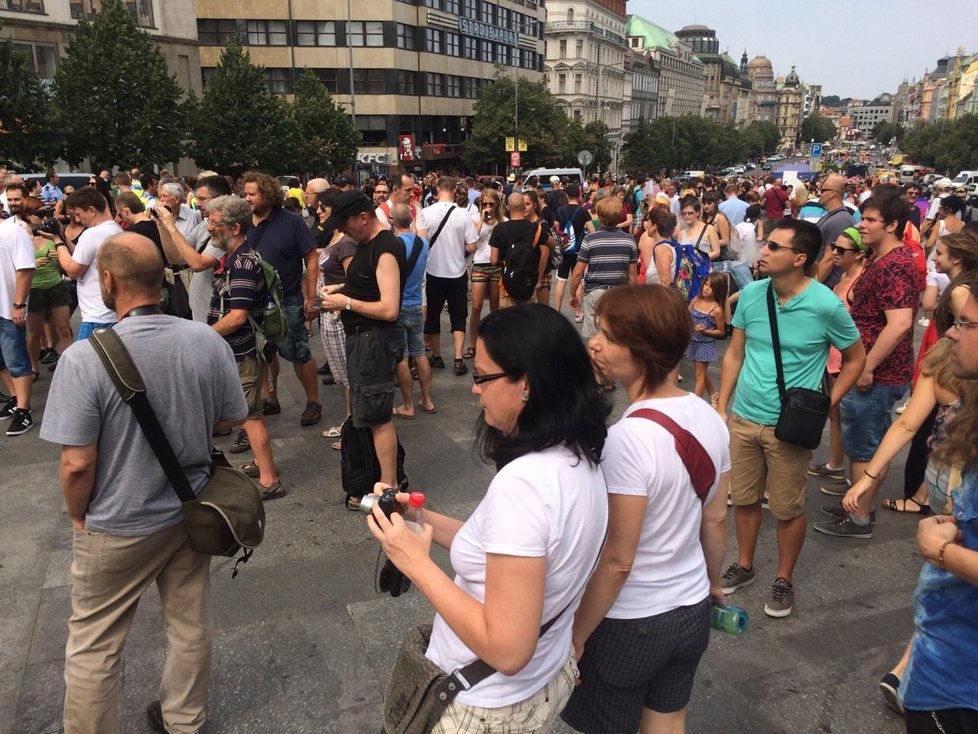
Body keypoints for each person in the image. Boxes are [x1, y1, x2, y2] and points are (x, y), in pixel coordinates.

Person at [39, 231, 248, 734]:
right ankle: (184, 720)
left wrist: (77, 516)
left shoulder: (83, 358)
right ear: (161, 280)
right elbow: (229, 418)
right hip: (191, 510)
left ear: (107, 281)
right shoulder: (206, 340)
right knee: (189, 623)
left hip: (116, 522)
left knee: (96, 641)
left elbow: (76, 464)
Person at [366, 304, 610, 731]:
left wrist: (416, 564)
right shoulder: (580, 456)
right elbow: (504, 550)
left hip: (484, 705)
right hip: (544, 677)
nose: (474, 391)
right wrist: (417, 519)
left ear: (527, 384)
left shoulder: (524, 485)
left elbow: (508, 650)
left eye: (482, 377)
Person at [562, 284, 729, 734]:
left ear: (643, 351)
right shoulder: (707, 415)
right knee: (669, 720)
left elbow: (618, 559)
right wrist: (712, 584)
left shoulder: (627, 441)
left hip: (630, 620)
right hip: (690, 606)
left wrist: (575, 636)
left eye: (609, 337)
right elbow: (714, 518)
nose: (594, 343)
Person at [716, 220, 865, 617]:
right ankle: (744, 564)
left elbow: (855, 359)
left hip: (791, 425)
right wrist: (723, 403)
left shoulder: (826, 304)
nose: (763, 251)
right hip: (745, 416)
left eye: (775, 247)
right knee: (744, 500)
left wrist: (827, 400)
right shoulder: (751, 294)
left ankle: (784, 578)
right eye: (766, 244)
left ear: (799, 258)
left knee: (787, 507)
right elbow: (735, 352)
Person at [814, 187, 918, 537]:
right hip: (872, 369)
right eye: (864, 218)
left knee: (863, 448)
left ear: (892, 225)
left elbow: (901, 323)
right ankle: (857, 503)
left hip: (877, 373)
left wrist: (868, 366)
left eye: (871, 220)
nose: (863, 226)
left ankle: (858, 516)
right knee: (867, 443)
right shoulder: (883, 260)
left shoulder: (895, 265)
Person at [898, 275, 978, 731]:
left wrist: (941, 551)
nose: (950, 332)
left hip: (960, 684)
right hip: (943, 658)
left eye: (965, 324)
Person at [321, 191, 406, 506]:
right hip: (364, 339)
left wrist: (346, 301)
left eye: (345, 225)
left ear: (363, 218)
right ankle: (382, 479)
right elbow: (372, 283)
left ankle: (389, 484)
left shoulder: (385, 248)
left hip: (374, 340)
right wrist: (343, 288)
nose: (343, 232)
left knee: (377, 415)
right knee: (369, 414)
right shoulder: (370, 246)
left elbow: (389, 308)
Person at [205, 195, 284, 500]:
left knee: (251, 417)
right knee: (248, 415)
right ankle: (259, 464)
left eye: (215, 224)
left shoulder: (242, 264)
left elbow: (237, 316)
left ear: (235, 228)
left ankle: (270, 480)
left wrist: (204, 335)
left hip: (242, 353)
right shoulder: (236, 258)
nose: (210, 228)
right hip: (235, 352)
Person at [241, 171, 321, 426]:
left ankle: (313, 402)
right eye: (245, 194)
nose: (247, 199)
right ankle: (271, 398)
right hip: (254, 303)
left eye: (252, 194)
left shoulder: (292, 222)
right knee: (265, 353)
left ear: (267, 193)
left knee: (299, 352)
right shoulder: (243, 223)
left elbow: (311, 258)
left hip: (288, 300)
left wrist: (311, 297)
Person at [808, 228, 868, 485]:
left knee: (849, 419)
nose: (834, 252)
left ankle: (851, 480)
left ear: (859, 255)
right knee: (834, 413)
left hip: (847, 360)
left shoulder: (860, 281)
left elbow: (863, 328)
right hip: (832, 357)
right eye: (834, 246)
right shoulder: (843, 276)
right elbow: (813, 284)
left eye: (841, 250)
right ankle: (835, 462)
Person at [417, 176, 479, 377]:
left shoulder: (425, 213)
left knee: (433, 315)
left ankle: (436, 357)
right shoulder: (463, 215)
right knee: (458, 316)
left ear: (436, 189)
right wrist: (458, 244)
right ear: (454, 190)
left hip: (433, 271)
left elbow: (421, 242)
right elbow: (472, 246)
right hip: (457, 272)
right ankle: (458, 359)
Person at [53, 187, 123, 339]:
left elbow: (72, 270)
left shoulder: (92, 234)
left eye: (78, 214)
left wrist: (57, 242)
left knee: (85, 360)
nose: (77, 220)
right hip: (111, 312)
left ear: (91, 210)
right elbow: (84, 256)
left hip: (96, 317)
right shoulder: (116, 230)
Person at [568, 196, 638, 341]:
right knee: (617, 336)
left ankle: (595, 363)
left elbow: (578, 272)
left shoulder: (590, 240)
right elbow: (632, 274)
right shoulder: (629, 240)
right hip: (619, 294)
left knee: (594, 337)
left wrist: (573, 294)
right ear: (619, 216)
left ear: (599, 216)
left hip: (595, 292)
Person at [390, 203, 435, 418]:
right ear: (411, 220)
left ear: (391, 221)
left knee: (402, 358)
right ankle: (427, 400)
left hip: (398, 306)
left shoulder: (393, 244)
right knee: (420, 355)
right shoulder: (423, 243)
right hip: (417, 304)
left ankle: (407, 405)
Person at [0, 192, 35, 436]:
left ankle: (24, 410)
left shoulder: (14, 233)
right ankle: (14, 398)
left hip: (7, 308)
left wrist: (19, 305)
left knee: (16, 359)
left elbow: (24, 270)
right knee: (1, 361)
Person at [489, 192, 554, 309]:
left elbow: (493, 260)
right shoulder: (534, 227)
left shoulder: (499, 229)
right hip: (528, 280)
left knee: (509, 320)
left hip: (507, 283)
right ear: (524, 207)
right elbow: (552, 243)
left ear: (507, 207)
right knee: (528, 319)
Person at [465, 187, 502, 358]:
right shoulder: (474, 218)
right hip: (479, 263)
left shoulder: (502, 221)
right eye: (484, 203)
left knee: (495, 306)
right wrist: (481, 219)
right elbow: (473, 239)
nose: (487, 206)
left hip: (496, 266)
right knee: (477, 306)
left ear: (497, 205)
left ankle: (494, 342)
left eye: (491, 204)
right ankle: (472, 344)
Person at [686, 272, 728, 404]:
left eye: (711, 287)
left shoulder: (716, 310)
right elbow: (687, 315)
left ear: (718, 291)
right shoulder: (695, 300)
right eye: (706, 284)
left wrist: (706, 331)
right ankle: (714, 395)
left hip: (705, 344)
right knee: (701, 372)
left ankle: (694, 403)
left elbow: (721, 332)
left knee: (699, 375)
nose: (706, 288)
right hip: (693, 341)